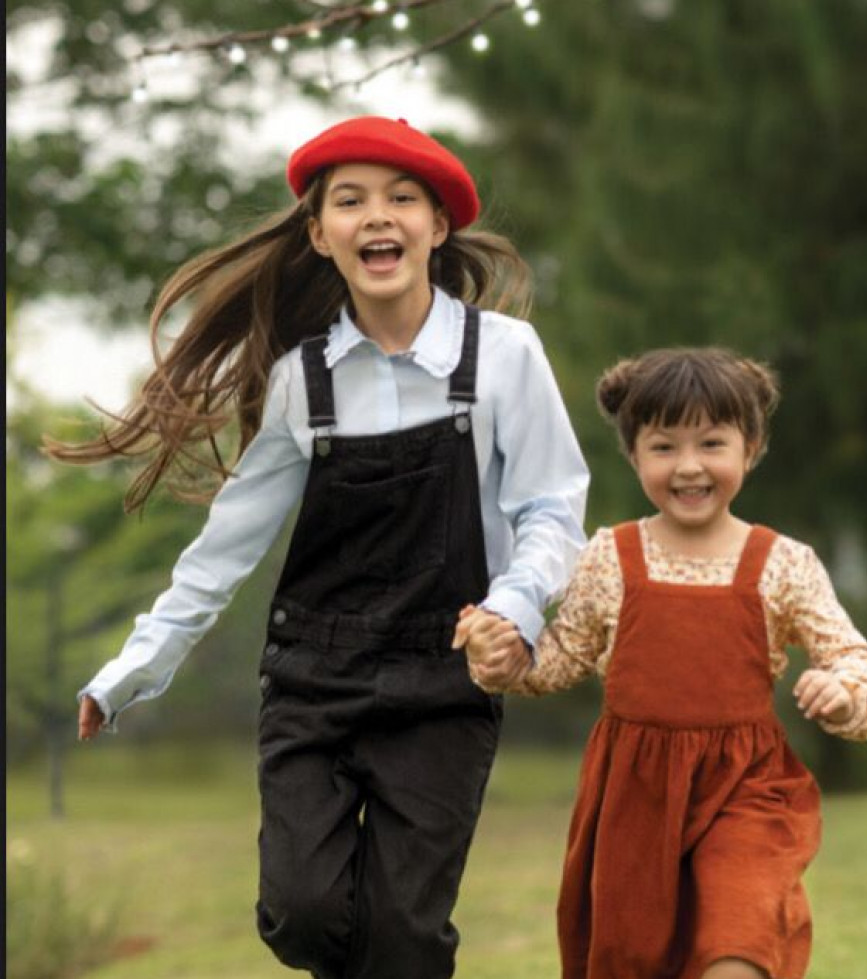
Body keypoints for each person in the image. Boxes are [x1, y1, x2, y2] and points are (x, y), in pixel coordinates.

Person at [51, 115, 588, 978]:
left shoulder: (504, 356)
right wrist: (133, 669)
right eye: (351, 201)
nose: (378, 216)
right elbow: (226, 544)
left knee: (404, 938)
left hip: (442, 686)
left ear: (438, 225)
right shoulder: (305, 379)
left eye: (402, 198)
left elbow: (554, 510)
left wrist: (513, 609)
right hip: (314, 680)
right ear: (319, 233)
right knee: (302, 917)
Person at [453, 347, 867, 979]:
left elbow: (851, 655)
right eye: (664, 447)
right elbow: (556, 663)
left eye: (711, 443)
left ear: (751, 447)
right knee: (634, 961)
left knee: (743, 937)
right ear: (633, 452)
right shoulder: (608, 558)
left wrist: (842, 691)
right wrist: (501, 653)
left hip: (747, 792)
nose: (688, 467)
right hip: (634, 800)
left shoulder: (783, 563)